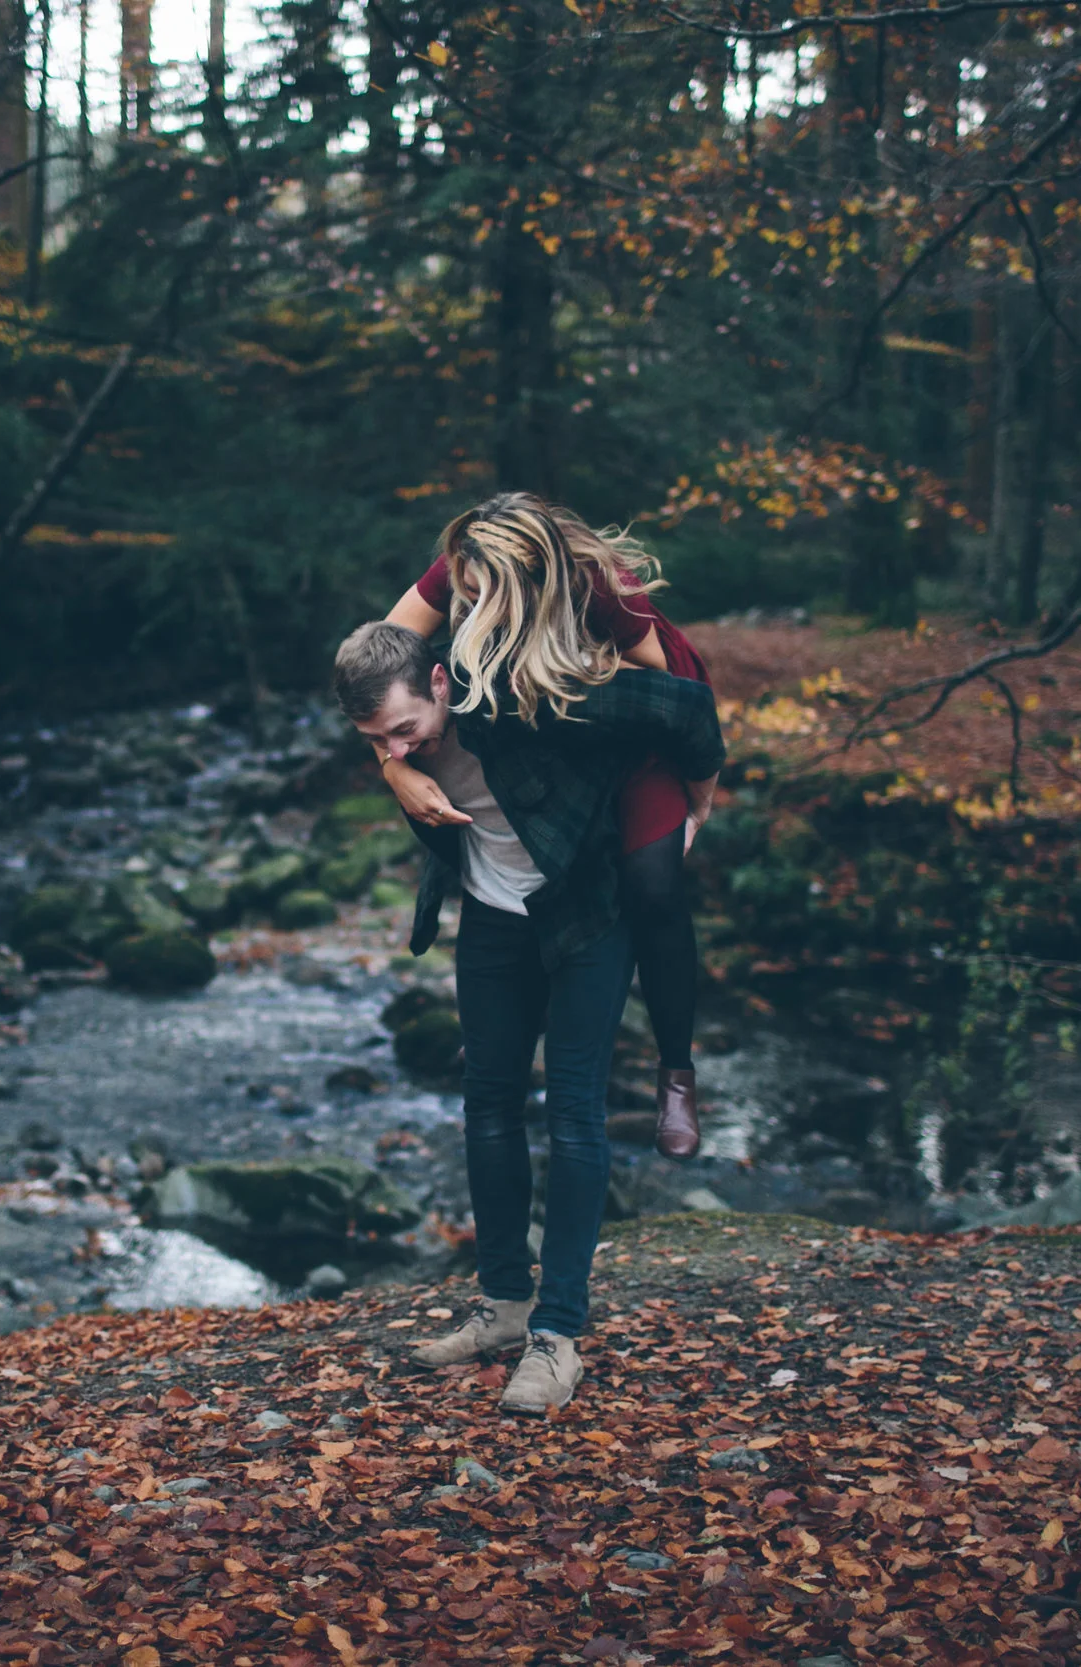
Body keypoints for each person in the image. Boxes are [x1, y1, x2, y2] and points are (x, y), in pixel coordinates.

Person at [332, 619, 724, 1413]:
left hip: (587, 910)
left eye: (404, 731)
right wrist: (391, 761)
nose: (397, 751)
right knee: (488, 1104)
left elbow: (685, 708)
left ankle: (557, 1337)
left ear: (442, 682)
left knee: (574, 1111)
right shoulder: (395, 735)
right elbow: (394, 737)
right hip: (490, 914)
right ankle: (505, 1306)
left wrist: (694, 811)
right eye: (377, 741)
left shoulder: (531, 693)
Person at [375, 494, 716, 1158]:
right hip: (531, 715)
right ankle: (508, 1021)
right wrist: (395, 769)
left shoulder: (596, 586)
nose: (465, 607)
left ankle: (677, 1073)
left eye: (481, 598)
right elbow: (380, 665)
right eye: (462, 594)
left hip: (620, 720)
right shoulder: (461, 567)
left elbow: (670, 703)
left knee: (651, 881)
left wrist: (696, 801)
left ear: (532, 583)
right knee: (513, 840)